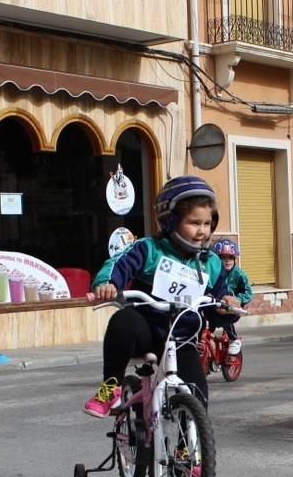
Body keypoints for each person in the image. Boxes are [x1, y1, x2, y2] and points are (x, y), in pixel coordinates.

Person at [84, 175, 239, 417]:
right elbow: (118, 265)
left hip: (182, 340)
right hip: (147, 331)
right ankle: (110, 388)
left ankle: (189, 448)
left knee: (198, 397)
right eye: (194, 222)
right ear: (171, 220)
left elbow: (219, 298)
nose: (202, 231)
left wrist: (227, 305)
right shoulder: (149, 249)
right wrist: (107, 284)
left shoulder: (212, 263)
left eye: (207, 224)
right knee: (123, 321)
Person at [207, 238, 253, 355]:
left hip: (232, 307)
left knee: (225, 316)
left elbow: (248, 292)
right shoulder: (213, 272)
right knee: (207, 321)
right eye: (223, 258)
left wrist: (237, 299)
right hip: (214, 304)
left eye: (230, 258)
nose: (227, 261)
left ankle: (234, 339)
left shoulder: (239, 274)